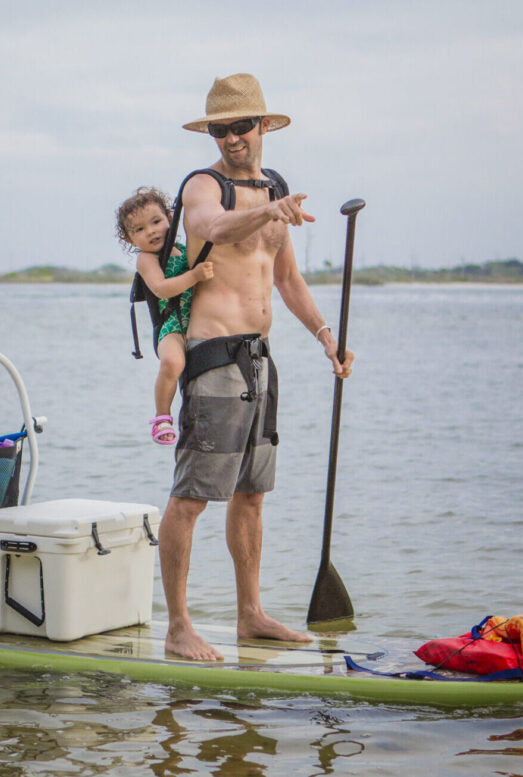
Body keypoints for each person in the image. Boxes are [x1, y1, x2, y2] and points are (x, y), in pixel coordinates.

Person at [159, 73, 355, 661]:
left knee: (252, 495)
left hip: (260, 364)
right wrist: (271, 208)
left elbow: (287, 277)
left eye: (241, 126)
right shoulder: (204, 186)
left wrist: (325, 335)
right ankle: (177, 627)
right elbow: (212, 230)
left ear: (263, 125)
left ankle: (251, 615)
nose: (231, 138)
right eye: (220, 129)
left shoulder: (277, 189)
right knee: (191, 498)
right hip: (213, 359)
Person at [114, 186, 215, 445]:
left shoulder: (184, 248)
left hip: (199, 320)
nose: (151, 231)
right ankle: (161, 416)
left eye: (156, 222)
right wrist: (194, 276)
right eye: (139, 229)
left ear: (170, 219)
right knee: (171, 363)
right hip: (172, 325)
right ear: (129, 239)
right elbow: (160, 288)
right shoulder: (147, 260)